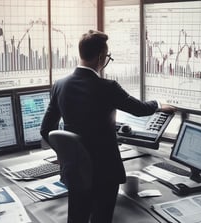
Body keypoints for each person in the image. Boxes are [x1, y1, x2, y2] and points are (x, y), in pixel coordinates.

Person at [40, 30, 176, 223]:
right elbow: (139, 109)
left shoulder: (60, 85)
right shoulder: (108, 87)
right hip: (104, 174)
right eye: (107, 57)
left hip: (75, 171)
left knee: (76, 219)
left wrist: (67, 153)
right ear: (101, 57)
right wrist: (158, 104)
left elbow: (46, 129)